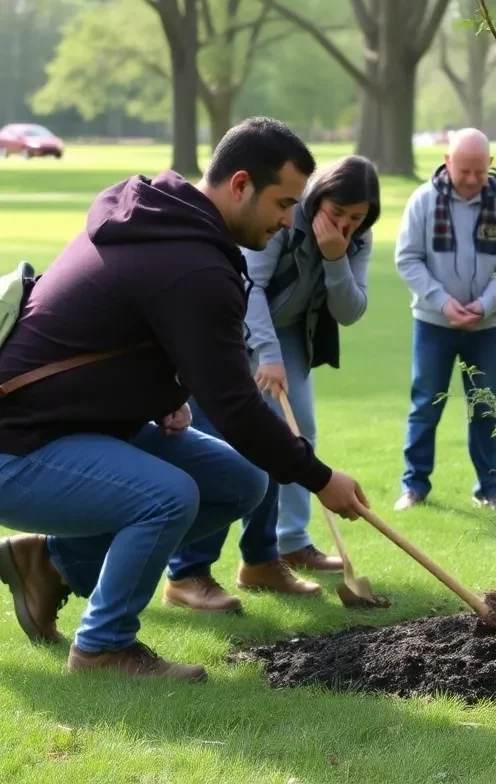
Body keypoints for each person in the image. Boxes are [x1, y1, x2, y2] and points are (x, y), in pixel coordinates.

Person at [0, 118, 368, 681]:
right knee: (168, 496)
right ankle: (103, 648)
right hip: (19, 445)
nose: (290, 219)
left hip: (68, 425)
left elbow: (114, 334)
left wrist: (157, 393)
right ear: (240, 184)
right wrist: (320, 477)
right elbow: (237, 407)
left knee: (241, 481)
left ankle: (49, 563)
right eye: (284, 202)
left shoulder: (161, 218)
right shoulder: (191, 263)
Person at [164, 155, 380, 612]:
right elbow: (250, 287)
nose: (343, 224)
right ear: (316, 197)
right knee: (218, 446)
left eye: (356, 218)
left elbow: (350, 311)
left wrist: (336, 258)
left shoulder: (355, 240)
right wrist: (267, 355)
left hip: (287, 335)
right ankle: (187, 574)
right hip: (234, 326)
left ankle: (263, 559)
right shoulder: (282, 218)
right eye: (336, 213)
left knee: (283, 442)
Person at [393, 128, 496, 511]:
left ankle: (490, 488)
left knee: (485, 406)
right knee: (425, 403)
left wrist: (486, 304)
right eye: (465, 171)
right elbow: (407, 259)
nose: (474, 180)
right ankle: (414, 486)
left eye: (480, 171)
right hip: (433, 324)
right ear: (447, 162)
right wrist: (443, 302)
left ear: (490, 165)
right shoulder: (423, 201)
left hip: (486, 326)